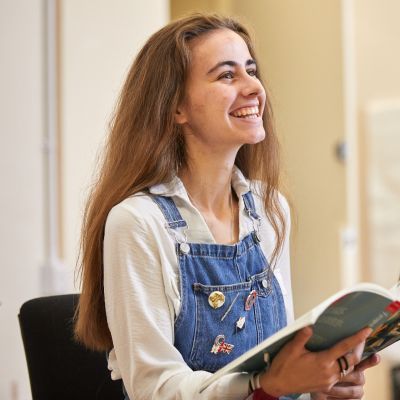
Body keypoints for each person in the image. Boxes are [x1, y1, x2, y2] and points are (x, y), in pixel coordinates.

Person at [74, 14, 380, 400]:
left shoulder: (270, 210)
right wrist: (264, 385)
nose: (254, 87)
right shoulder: (138, 222)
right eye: (226, 75)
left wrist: (318, 386)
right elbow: (154, 390)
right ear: (175, 108)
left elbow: (276, 369)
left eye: (251, 70)